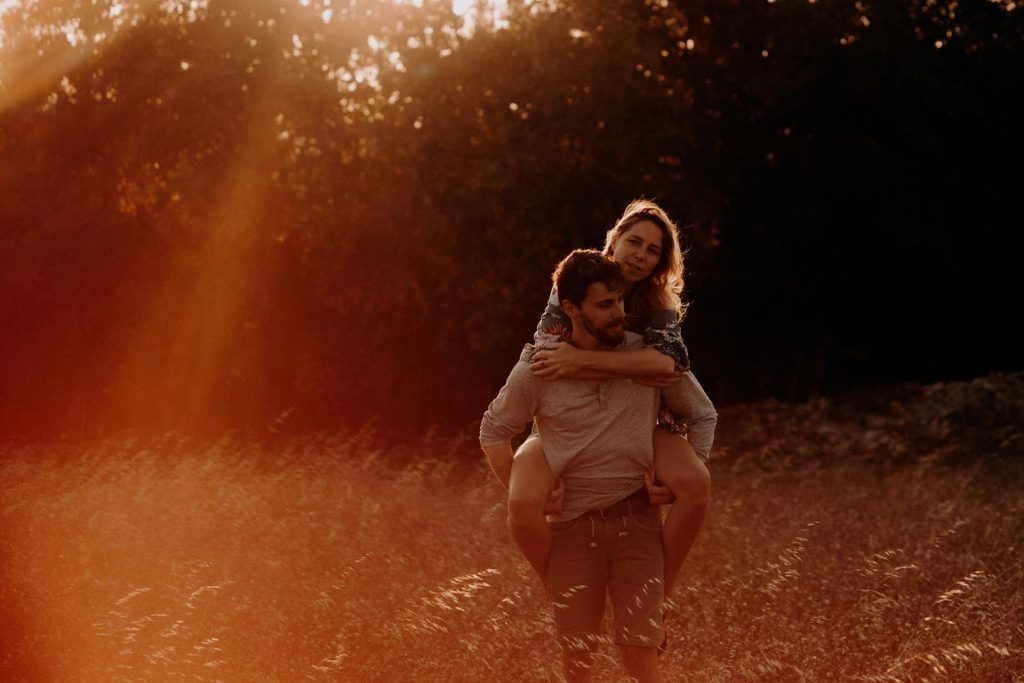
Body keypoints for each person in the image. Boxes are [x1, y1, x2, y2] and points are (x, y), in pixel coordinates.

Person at [480, 249, 672, 682]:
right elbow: (493, 431)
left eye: (620, 301)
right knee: (579, 661)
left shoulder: (645, 357)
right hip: (571, 532)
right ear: (570, 308)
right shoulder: (540, 367)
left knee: (643, 660)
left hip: (638, 523)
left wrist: (679, 473)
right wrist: (526, 492)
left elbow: (699, 411)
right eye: (605, 304)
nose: (618, 313)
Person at [509, 199, 717, 596]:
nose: (640, 255)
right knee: (526, 501)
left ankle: (659, 593)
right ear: (615, 239)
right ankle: (562, 591)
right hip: (575, 414)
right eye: (634, 242)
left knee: (695, 484)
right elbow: (549, 356)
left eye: (653, 250)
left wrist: (585, 360)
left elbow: (668, 366)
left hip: (642, 416)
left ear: (660, 262)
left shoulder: (658, 304)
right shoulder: (577, 279)